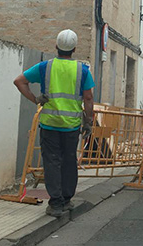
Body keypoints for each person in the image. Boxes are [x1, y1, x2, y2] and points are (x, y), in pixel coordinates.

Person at [13, 29, 94, 217]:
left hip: (49, 124)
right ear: (74, 48)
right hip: (72, 125)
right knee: (69, 162)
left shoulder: (44, 67)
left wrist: (35, 99)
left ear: (56, 46)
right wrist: (88, 121)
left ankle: (55, 204)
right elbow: (88, 98)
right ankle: (67, 200)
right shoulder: (82, 70)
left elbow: (19, 81)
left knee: (52, 162)